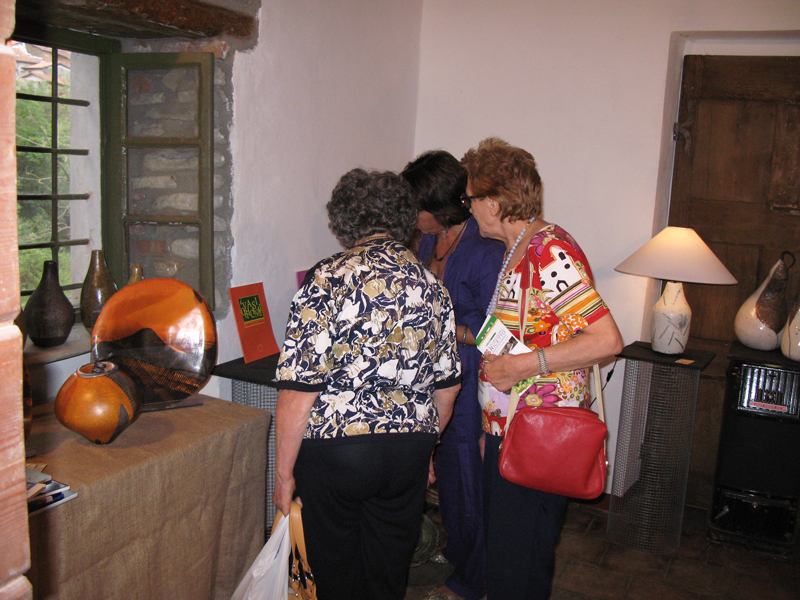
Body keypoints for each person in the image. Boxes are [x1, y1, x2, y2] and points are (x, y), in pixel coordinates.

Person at [272, 168, 462, 600]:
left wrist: (283, 476)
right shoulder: (433, 287)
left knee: (335, 571)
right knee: (387, 572)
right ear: (405, 218)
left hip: (338, 452)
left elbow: (298, 393)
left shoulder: (326, 278)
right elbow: (447, 387)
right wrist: (428, 448)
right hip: (407, 450)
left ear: (343, 220)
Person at [461, 138, 623, 600]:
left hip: (540, 436)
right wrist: (491, 426)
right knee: (506, 559)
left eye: (471, 199)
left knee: (518, 567)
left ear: (494, 203)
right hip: (510, 428)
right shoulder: (517, 249)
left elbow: (606, 340)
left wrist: (519, 367)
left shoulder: (548, 251)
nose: (468, 209)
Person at [401, 150, 504, 600]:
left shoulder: (486, 251)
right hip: (432, 379)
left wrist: (447, 327)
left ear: (442, 207)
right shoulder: (428, 241)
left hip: (469, 382)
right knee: (444, 476)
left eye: (416, 207)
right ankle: (460, 552)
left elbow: (498, 333)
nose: (411, 216)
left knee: (467, 484)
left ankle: (473, 580)